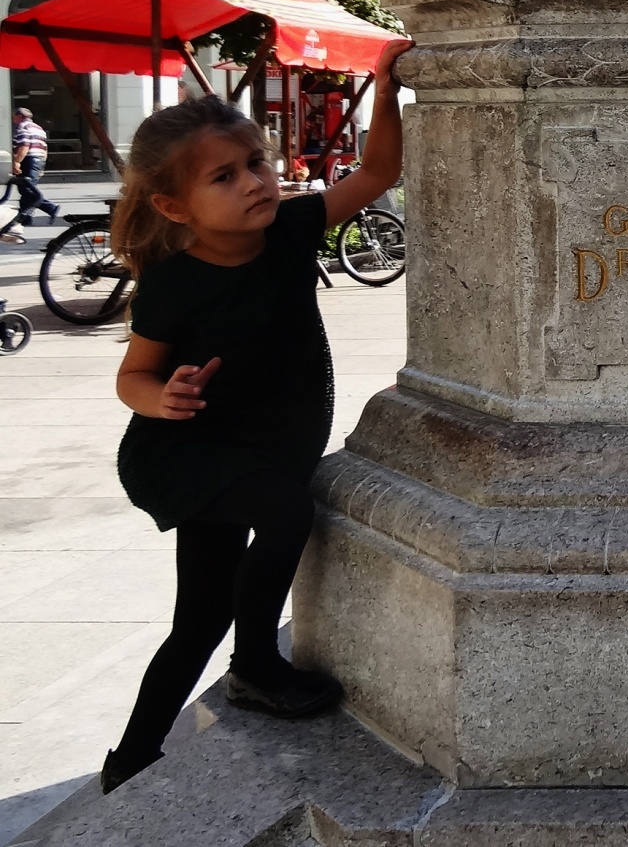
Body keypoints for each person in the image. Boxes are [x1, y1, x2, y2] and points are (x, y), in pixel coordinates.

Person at [100, 39, 411, 794]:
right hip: (188, 451)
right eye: (225, 176)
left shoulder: (292, 230)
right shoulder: (175, 285)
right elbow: (133, 376)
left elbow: (377, 174)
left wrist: (384, 90)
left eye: (256, 164)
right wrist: (161, 395)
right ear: (175, 207)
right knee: (282, 512)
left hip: (259, 448)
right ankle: (257, 665)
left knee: (200, 614)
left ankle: (129, 759)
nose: (253, 182)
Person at [0, 108, 61, 243]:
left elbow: (24, 146)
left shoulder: (23, 127)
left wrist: (17, 162)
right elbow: (44, 148)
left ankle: (50, 207)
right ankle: (26, 217)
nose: (13, 119)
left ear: (19, 116)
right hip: (38, 160)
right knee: (26, 189)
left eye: (14, 117)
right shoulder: (39, 128)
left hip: (29, 160)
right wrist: (42, 165)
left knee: (27, 189)